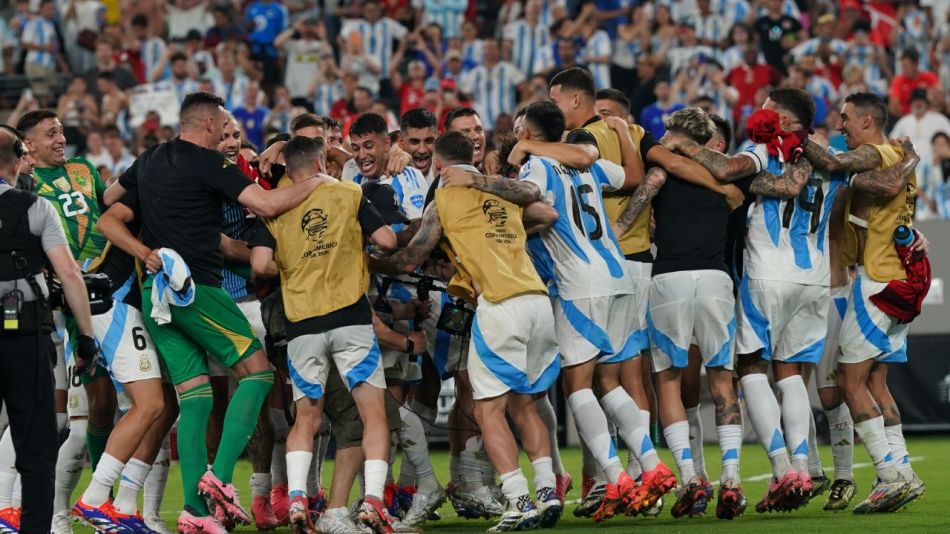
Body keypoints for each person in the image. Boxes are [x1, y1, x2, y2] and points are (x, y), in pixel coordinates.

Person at [97, 91, 323, 533]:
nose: (226, 132)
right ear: (206, 125)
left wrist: (146, 244)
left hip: (154, 294)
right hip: (195, 289)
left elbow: (109, 198)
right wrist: (319, 182)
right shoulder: (208, 163)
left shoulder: (149, 159)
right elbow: (267, 204)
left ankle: (195, 514)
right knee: (258, 374)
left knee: (195, 397)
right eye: (222, 124)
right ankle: (217, 480)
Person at [374, 131, 561, 532]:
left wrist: (368, 265)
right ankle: (547, 491)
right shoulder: (504, 193)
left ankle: (518, 499)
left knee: (486, 409)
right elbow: (540, 203)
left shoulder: (444, 197)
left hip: (499, 304)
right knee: (526, 405)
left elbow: (410, 258)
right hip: (538, 302)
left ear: (439, 166)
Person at [249, 135, 399, 533]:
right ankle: (371, 503)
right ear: (319, 164)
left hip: (302, 327)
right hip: (350, 319)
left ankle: (297, 497)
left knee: (306, 419)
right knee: (373, 416)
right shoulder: (347, 192)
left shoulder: (275, 210)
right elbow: (387, 240)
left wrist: (295, 261)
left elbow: (260, 264)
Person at [613, 108, 746, 520]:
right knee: (723, 378)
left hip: (668, 278)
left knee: (667, 381)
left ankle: (690, 479)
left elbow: (638, 203)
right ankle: (731, 479)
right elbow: (737, 200)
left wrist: (620, 230)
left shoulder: (661, 172)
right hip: (715, 280)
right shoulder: (725, 179)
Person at [802, 92, 926, 513]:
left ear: (868, 120)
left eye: (846, 119)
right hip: (894, 281)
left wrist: (799, 139)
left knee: (849, 381)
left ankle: (888, 476)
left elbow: (838, 165)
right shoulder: (898, 157)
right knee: (876, 383)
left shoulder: (877, 153)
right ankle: (904, 472)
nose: (841, 127)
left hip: (877, 282)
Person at [0, 126, 97, 534]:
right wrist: (87, 337)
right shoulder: (35, 206)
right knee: (36, 444)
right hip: (24, 334)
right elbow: (70, 274)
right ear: (18, 159)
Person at [398, 108, 438, 185]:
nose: (422, 150)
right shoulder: (390, 180)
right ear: (401, 142)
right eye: (415, 142)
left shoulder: (451, 177)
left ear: (438, 138)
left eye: (429, 141)